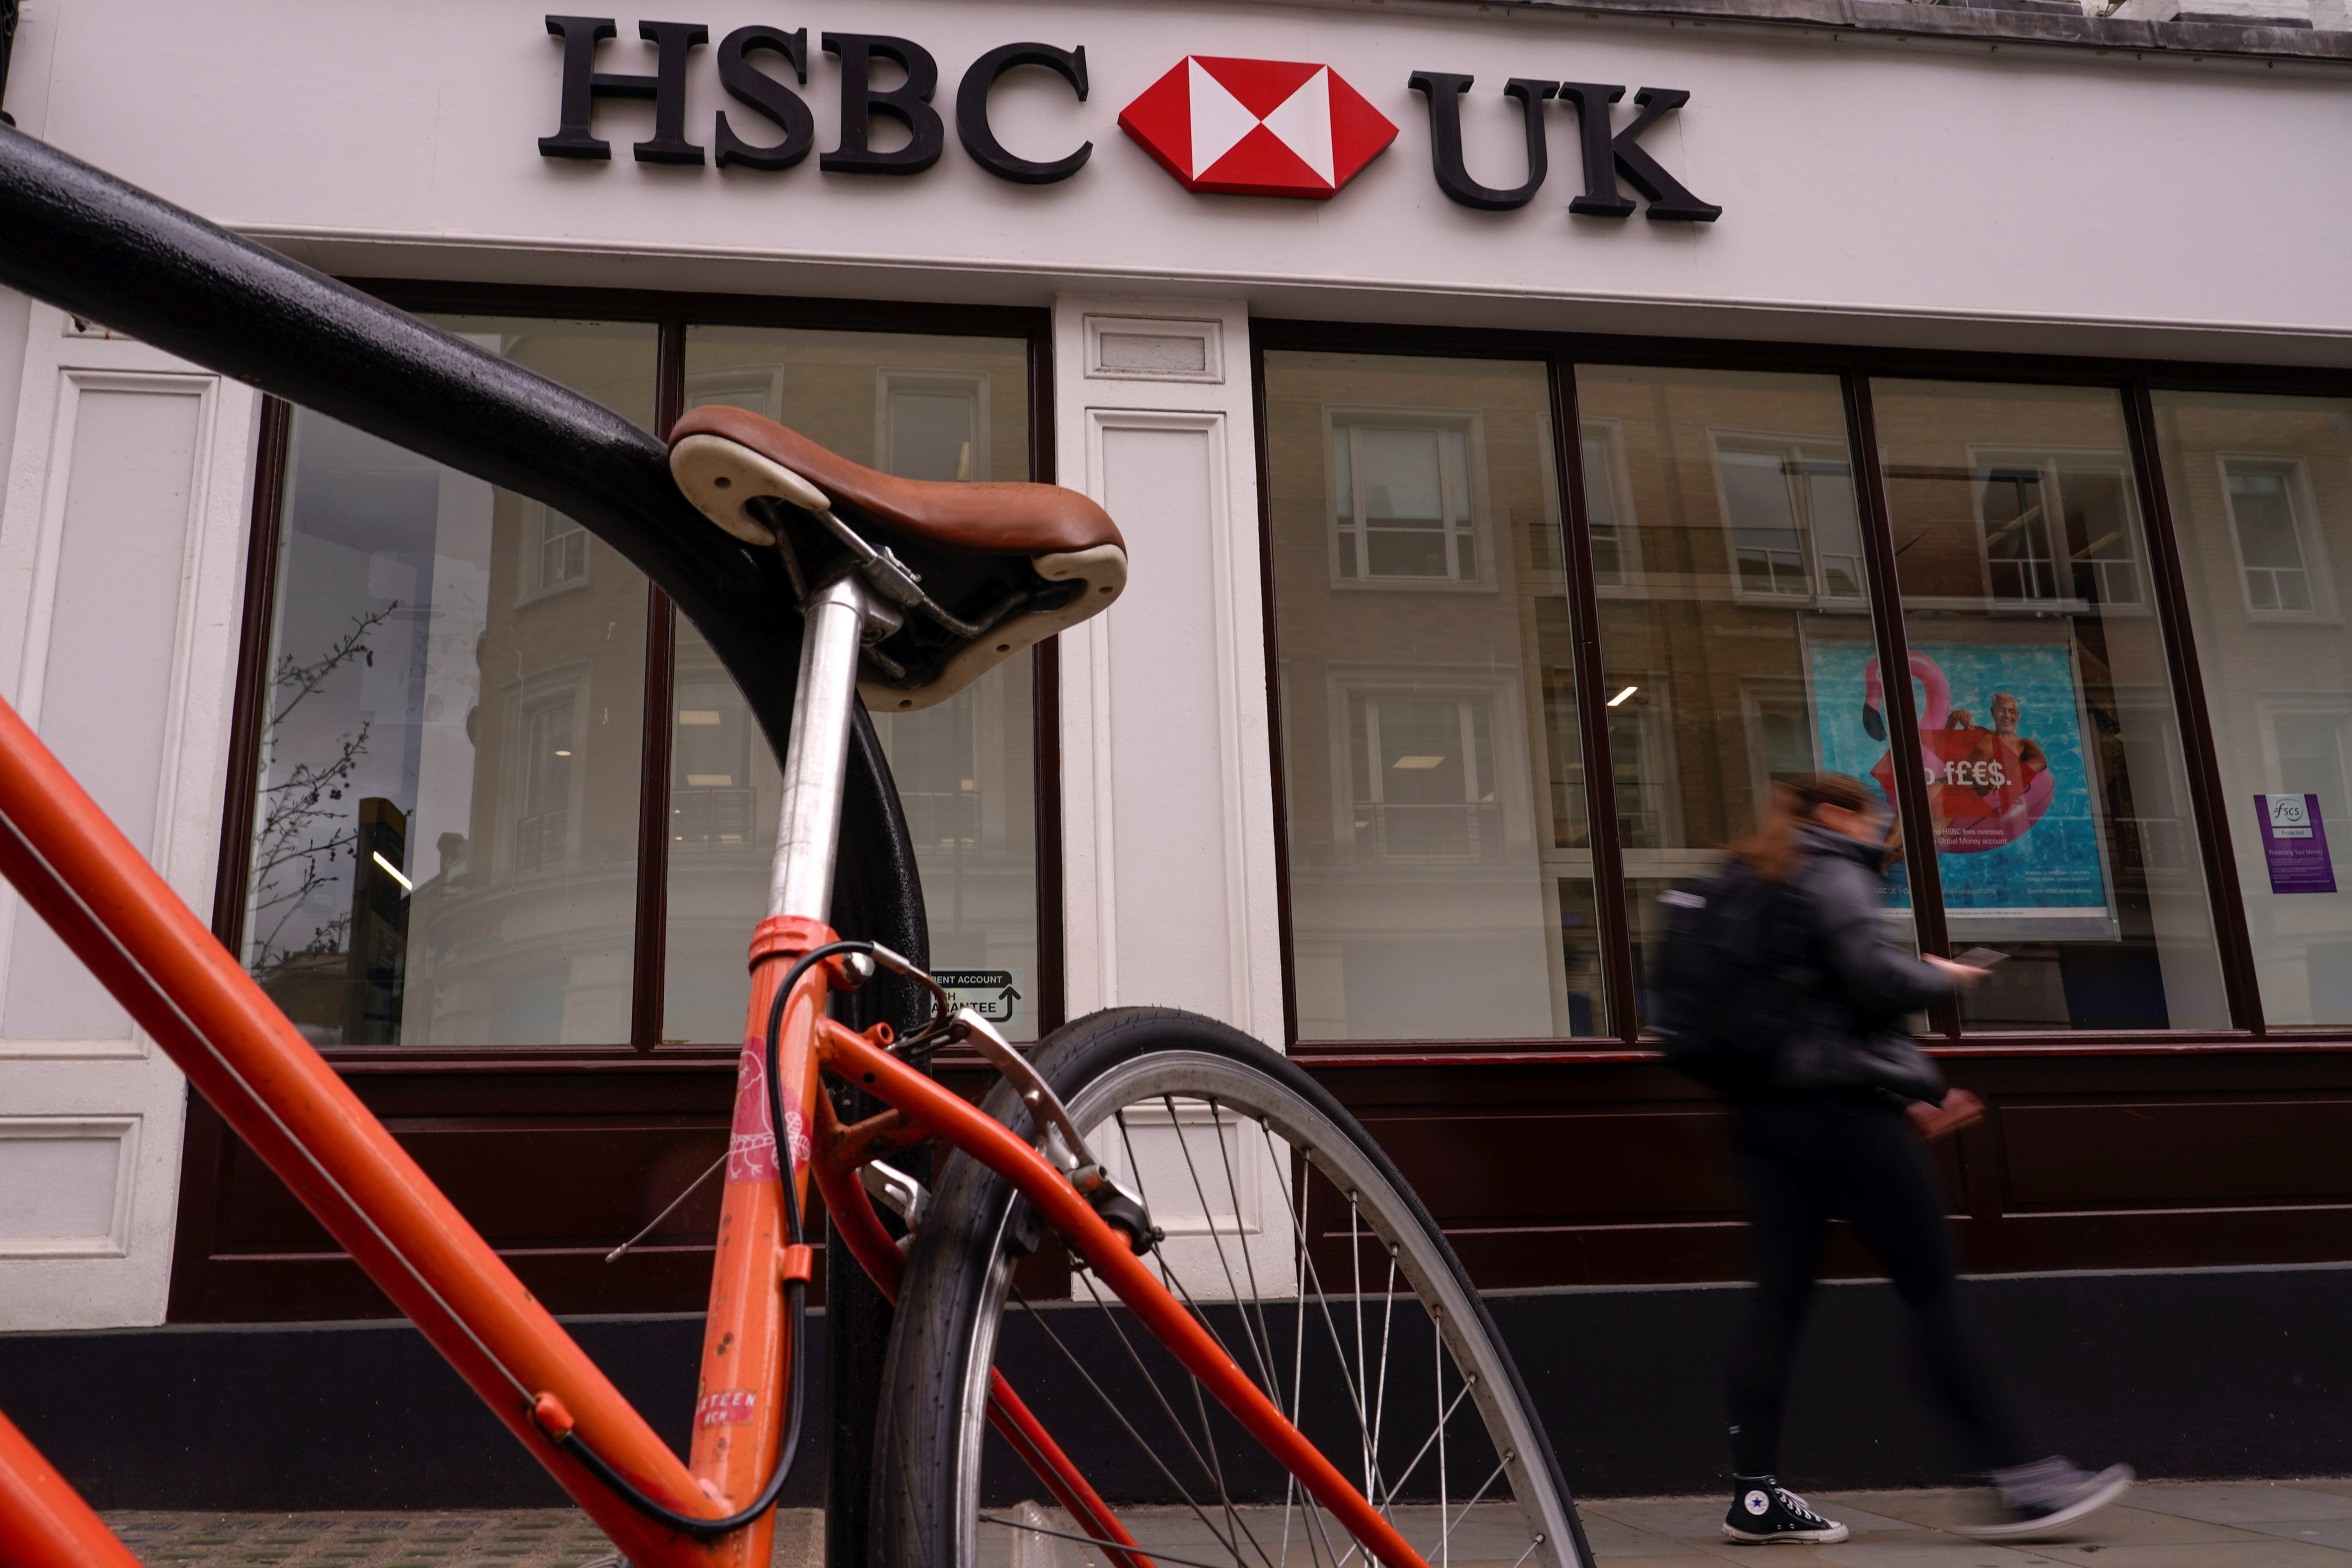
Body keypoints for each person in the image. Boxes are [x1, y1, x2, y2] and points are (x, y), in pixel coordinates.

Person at [1716, 773, 2131, 1546]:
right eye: (1873, 817)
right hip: (1846, 1117)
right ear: (1835, 813)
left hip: (1768, 1122)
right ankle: (2028, 1485)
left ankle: (1755, 1493)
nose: (1879, 832)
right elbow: (1870, 980)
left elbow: (1805, 1013)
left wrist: (1907, 1092)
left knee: (1777, 1303)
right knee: (1933, 1291)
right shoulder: (1832, 867)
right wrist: (1945, 974)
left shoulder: (1752, 878)